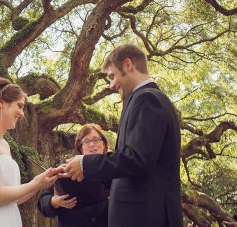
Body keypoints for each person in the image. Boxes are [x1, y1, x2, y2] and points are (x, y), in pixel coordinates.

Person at [63, 43, 183, 227]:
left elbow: (137, 159)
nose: (111, 85)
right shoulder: (142, 99)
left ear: (128, 65)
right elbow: (135, 167)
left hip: (146, 218)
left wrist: (85, 163)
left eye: (112, 76)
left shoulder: (147, 99)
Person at [0, 77, 61, 227]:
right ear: (1, 101)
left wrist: (39, 183)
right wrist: (35, 183)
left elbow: (13, 198)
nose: (22, 114)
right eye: (19, 106)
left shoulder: (4, 145)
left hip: (9, 219)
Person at [37, 123, 110, 227]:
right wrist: (54, 202)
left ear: (104, 145)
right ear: (81, 149)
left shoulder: (114, 170)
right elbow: (43, 202)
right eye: (86, 141)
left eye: (96, 140)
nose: (92, 145)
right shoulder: (65, 170)